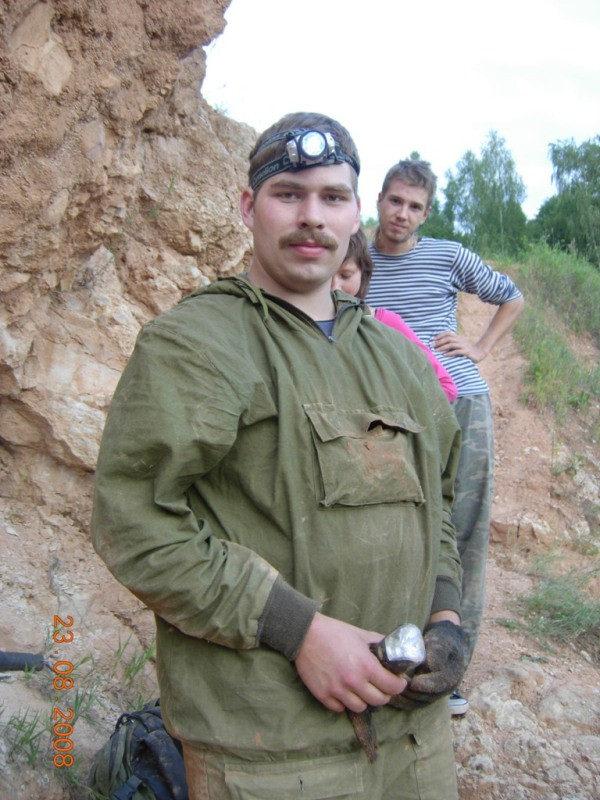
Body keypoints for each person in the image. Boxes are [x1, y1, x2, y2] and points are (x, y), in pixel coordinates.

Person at [92, 113, 468, 800]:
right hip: (271, 753)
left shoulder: (399, 356)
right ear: (248, 207)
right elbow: (135, 523)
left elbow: (438, 504)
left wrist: (445, 617)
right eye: (288, 194)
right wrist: (300, 632)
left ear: (355, 214)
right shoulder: (195, 343)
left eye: (332, 197)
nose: (311, 217)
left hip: (416, 742)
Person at [366, 159, 525, 716]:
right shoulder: (355, 258)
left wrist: (479, 348)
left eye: (414, 206)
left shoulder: (447, 255)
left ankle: (449, 672)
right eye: (395, 201)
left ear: (426, 213)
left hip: (462, 403)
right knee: (401, 529)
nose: (401, 214)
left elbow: (512, 296)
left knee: (463, 531)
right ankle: (390, 656)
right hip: (394, 412)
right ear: (379, 200)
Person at [332, 230, 457, 403]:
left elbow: (445, 387)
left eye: (346, 275)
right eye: (325, 277)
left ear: (363, 273)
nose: (334, 287)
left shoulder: (386, 323)